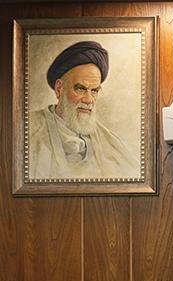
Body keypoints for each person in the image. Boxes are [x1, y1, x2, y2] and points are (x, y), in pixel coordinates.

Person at [28, 40, 139, 180]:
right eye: (80, 89)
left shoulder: (111, 143)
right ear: (59, 89)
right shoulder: (29, 130)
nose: (89, 100)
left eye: (94, 91)